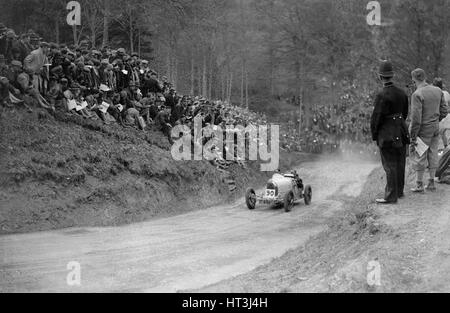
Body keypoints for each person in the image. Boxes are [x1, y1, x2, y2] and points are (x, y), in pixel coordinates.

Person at [370, 61, 409, 204]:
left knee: (390, 164)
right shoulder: (402, 93)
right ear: (392, 75)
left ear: (380, 77)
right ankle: (399, 192)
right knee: (400, 162)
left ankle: (391, 196)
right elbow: (405, 113)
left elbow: (377, 117)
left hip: (387, 134)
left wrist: (375, 135)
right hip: (401, 130)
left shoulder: (381, 95)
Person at [409, 69, 448, 192]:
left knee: (420, 154)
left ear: (414, 79)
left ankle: (419, 184)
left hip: (422, 128)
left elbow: (416, 118)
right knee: (433, 153)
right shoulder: (438, 91)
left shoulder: (417, 94)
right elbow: (445, 110)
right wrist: (437, 119)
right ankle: (431, 182)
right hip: (435, 127)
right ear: (425, 77)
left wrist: (413, 135)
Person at [433, 78, 450, 149]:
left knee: (437, 134)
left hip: (438, 116)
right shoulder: (446, 93)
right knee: (445, 134)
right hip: (447, 115)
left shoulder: (434, 93)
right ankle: (446, 147)